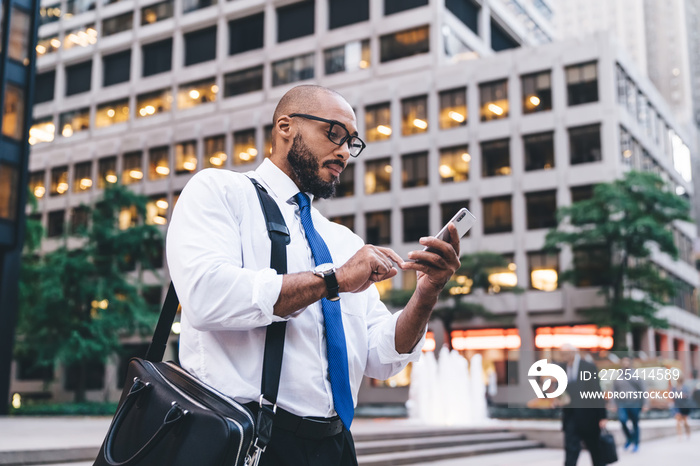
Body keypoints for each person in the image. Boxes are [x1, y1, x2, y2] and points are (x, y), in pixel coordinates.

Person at [165, 85, 461, 466]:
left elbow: (380, 357)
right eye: (333, 133)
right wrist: (332, 281)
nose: (343, 151)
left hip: (336, 446)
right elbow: (206, 297)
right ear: (285, 126)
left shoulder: (342, 240)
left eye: (351, 142)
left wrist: (427, 293)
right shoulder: (221, 191)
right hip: (249, 440)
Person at [558, 344, 608, 466]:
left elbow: (596, 391)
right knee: (570, 451)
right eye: (561, 354)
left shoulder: (588, 367)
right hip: (570, 417)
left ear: (573, 353)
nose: (563, 357)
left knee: (595, 450)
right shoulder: (561, 369)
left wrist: (602, 416)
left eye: (565, 354)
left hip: (589, 416)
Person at [611, 356, 646, 452]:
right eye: (624, 362)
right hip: (622, 403)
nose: (625, 364)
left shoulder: (635, 375)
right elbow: (614, 391)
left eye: (627, 362)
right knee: (622, 421)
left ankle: (636, 443)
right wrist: (613, 403)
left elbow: (643, 389)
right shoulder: (618, 376)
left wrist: (645, 403)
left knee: (635, 423)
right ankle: (630, 438)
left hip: (635, 403)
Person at [670, 376, 692, 440]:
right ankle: (680, 435)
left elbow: (689, 396)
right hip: (677, 406)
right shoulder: (674, 388)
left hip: (684, 406)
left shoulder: (686, 387)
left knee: (685, 421)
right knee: (678, 421)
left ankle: (688, 432)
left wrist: (684, 395)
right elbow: (672, 396)